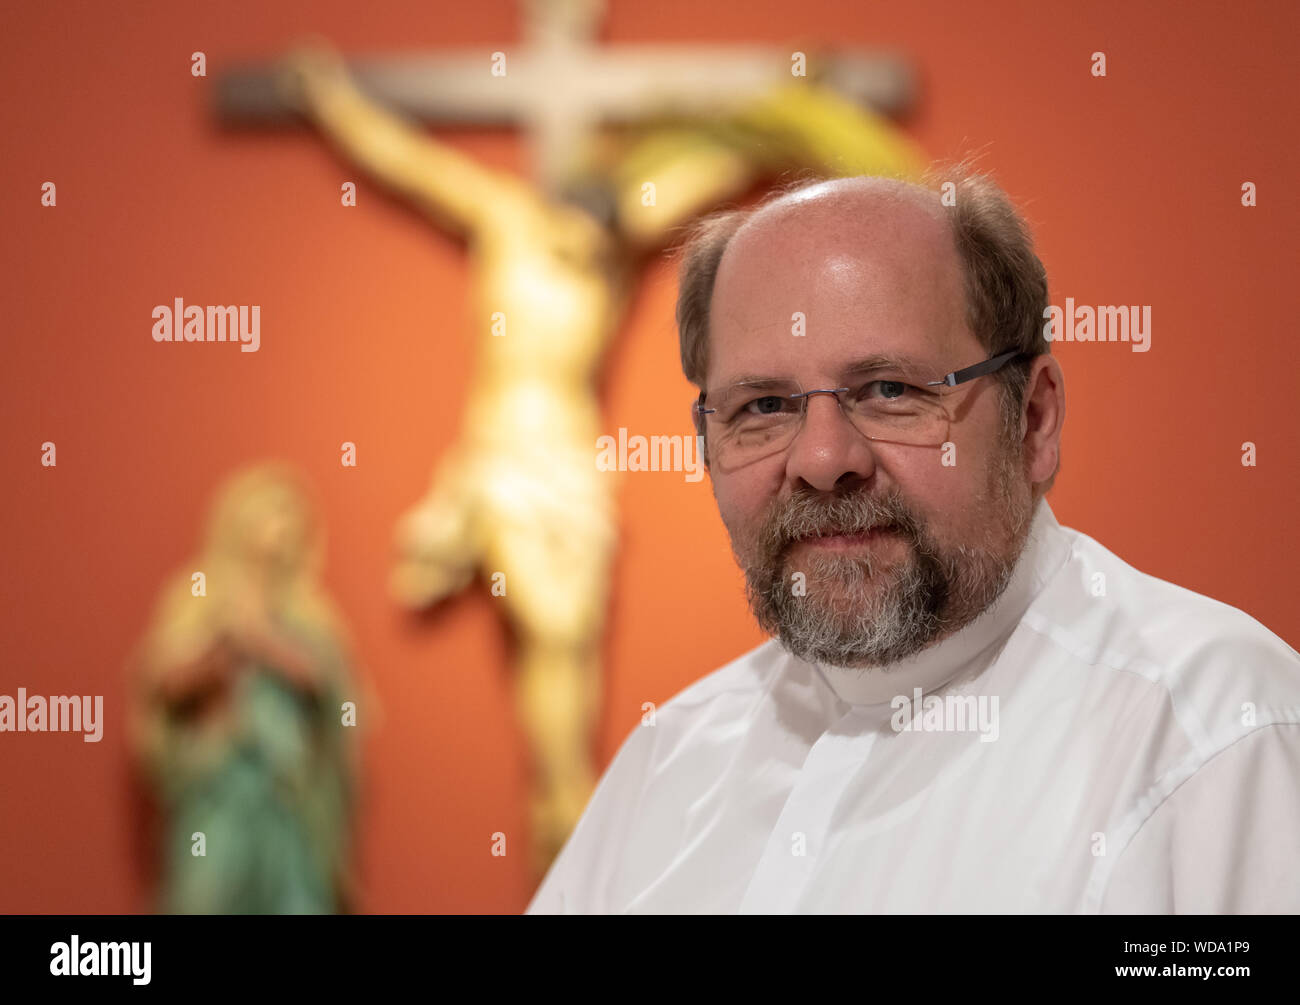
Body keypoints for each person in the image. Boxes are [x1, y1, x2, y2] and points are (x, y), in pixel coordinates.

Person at [525, 169, 1300, 913]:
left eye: (891, 391)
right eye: (763, 405)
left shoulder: (1214, 735)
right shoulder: (668, 764)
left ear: (1032, 420)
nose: (824, 461)